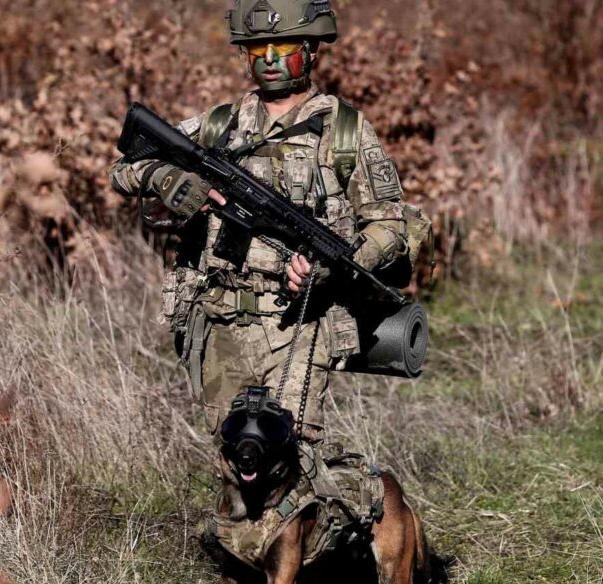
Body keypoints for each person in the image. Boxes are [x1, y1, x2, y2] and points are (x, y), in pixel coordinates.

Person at [108, 0, 410, 441]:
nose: (269, 59)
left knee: (289, 455)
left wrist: (335, 265)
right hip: (219, 320)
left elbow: (389, 227)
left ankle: (367, 503)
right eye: (257, 48)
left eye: (283, 45)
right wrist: (166, 177)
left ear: (311, 50)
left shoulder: (344, 131)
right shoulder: (219, 125)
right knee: (234, 456)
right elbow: (122, 171)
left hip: (302, 323)